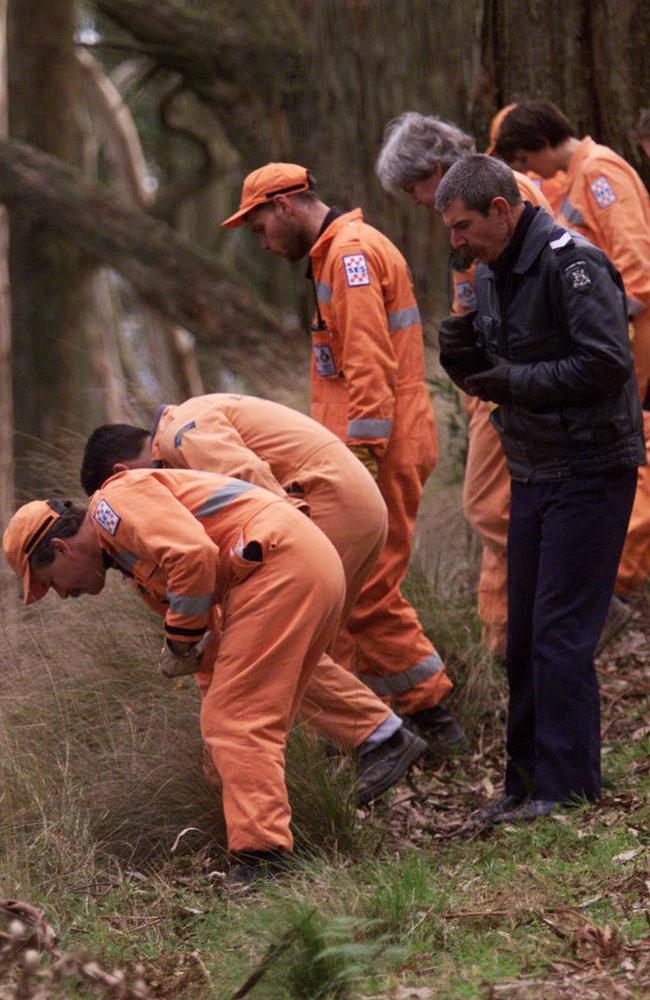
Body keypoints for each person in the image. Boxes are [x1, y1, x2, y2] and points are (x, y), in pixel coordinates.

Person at [2, 470, 427, 884]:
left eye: (50, 582)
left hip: (279, 565)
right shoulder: (132, 561)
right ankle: (380, 738)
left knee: (237, 718)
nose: (63, 594)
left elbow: (193, 555)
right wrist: (217, 763)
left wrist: (178, 642)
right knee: (236, 707)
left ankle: (263, 858)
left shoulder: (115, 504)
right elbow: (214, 652)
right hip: (299, 562)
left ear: (61, 549)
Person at [220, 163, 466, 751]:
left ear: (283, 205)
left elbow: (368, 366)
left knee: (364, 591)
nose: (262, 242)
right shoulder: (336, 255)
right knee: (345, 589)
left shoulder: (350, 257)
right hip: (367, 452)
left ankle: (433, 717)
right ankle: (364, 728)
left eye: (258, 228)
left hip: (378, 452)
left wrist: (359, 459)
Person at [435, 154, 644, 822]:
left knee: (559, 635)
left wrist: (512, 383)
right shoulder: (491, 276)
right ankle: (524, 788)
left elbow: (607, 363)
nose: (455, 242)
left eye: (464, 226)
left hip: (591, 468)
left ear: (501, 209)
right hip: (534, 471)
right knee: (522, 635)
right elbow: (507, 369)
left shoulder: (570, 262)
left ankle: (568, 788)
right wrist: (466, 361)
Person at [79, 393, 442, 767]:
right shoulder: (186, 425)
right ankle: (363, 747)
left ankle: (380, 739)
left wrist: (292, 541)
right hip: (347, 503)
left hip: (325, 505)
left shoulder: (181, 432)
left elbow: (244, 474)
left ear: (122, 475)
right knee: (310, 641)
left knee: (271, 642)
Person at [375, 111, 552, 657]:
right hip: (496, 380)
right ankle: (508, 640)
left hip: (518, 377)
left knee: (485, 507)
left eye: (412, 187)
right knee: (503, 506)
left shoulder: (506, 195)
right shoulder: (466, 214)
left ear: (434, 166)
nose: (414, 201)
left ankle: (584, 584)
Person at [494, 99, 650, 604]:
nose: (528, 174)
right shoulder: (583, 173)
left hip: (634, 342)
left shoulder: (599, 172)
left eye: (524, 160)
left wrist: (594, 320)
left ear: (539, 144)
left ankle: (609, 589)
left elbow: (637, 267)